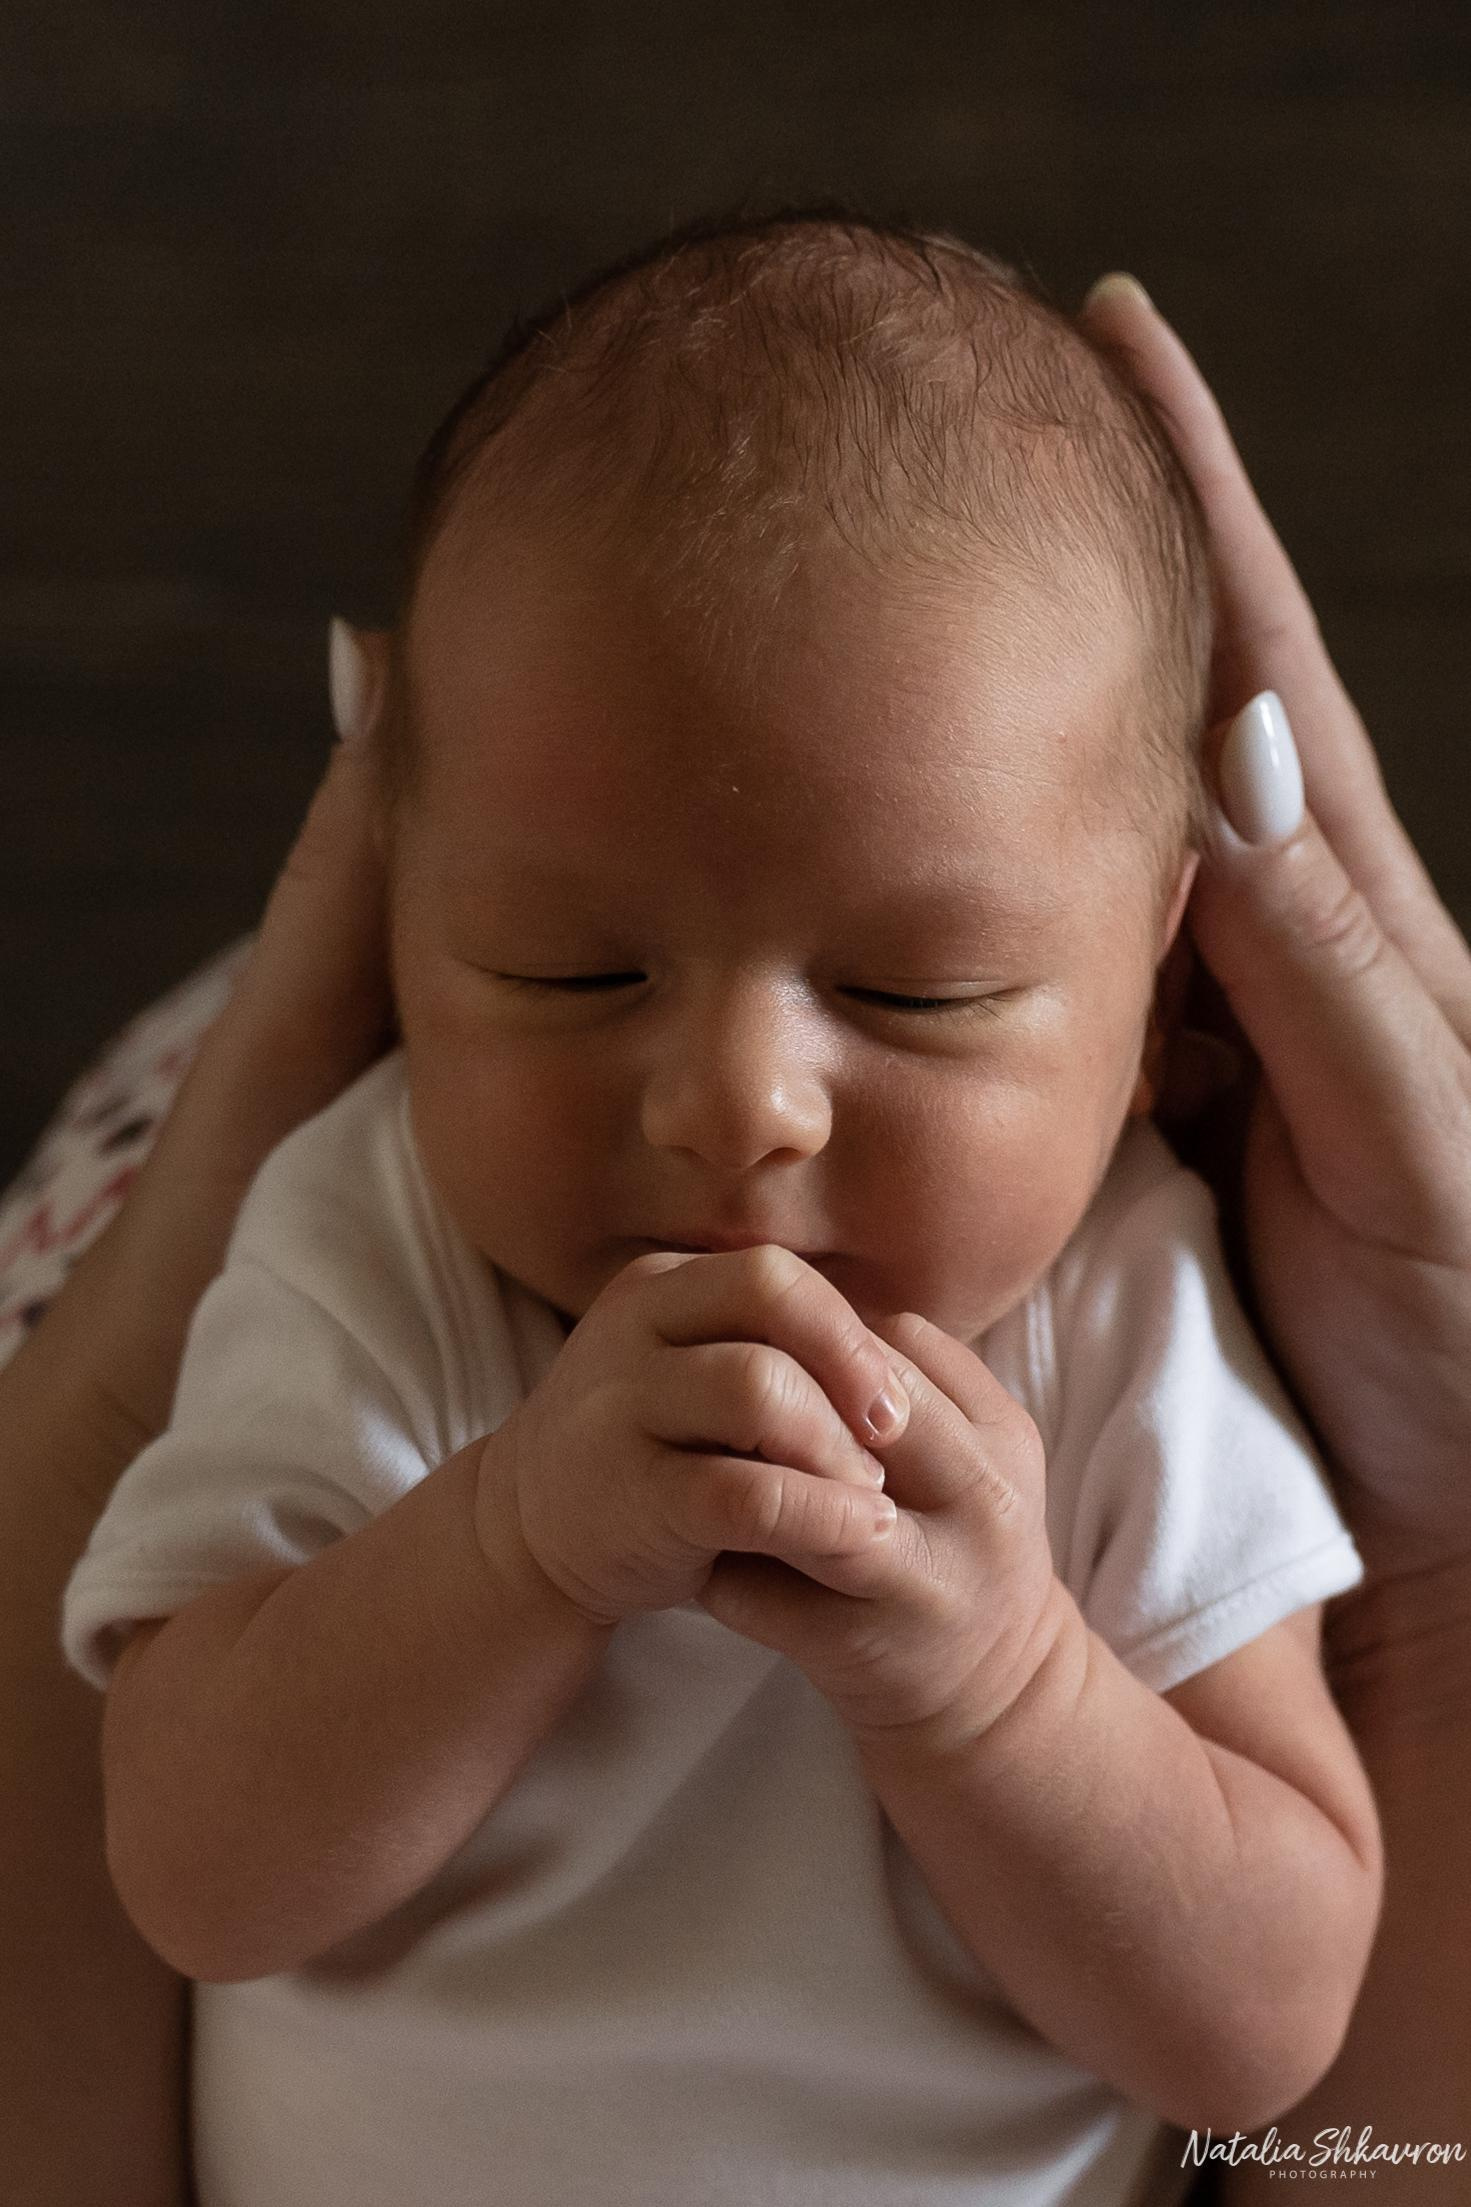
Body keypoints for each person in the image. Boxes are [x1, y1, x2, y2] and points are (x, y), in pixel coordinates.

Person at [0, 231, 1458, 2204]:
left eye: (911, 997)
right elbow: (188, 1874)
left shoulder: (1117, 1314)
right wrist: (513, 1545)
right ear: (394, 927)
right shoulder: (382, 1246)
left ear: (1159, 1010)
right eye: (569, 973)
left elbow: (1259, 2037)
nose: (733, 1109)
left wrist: (1000, 1683)